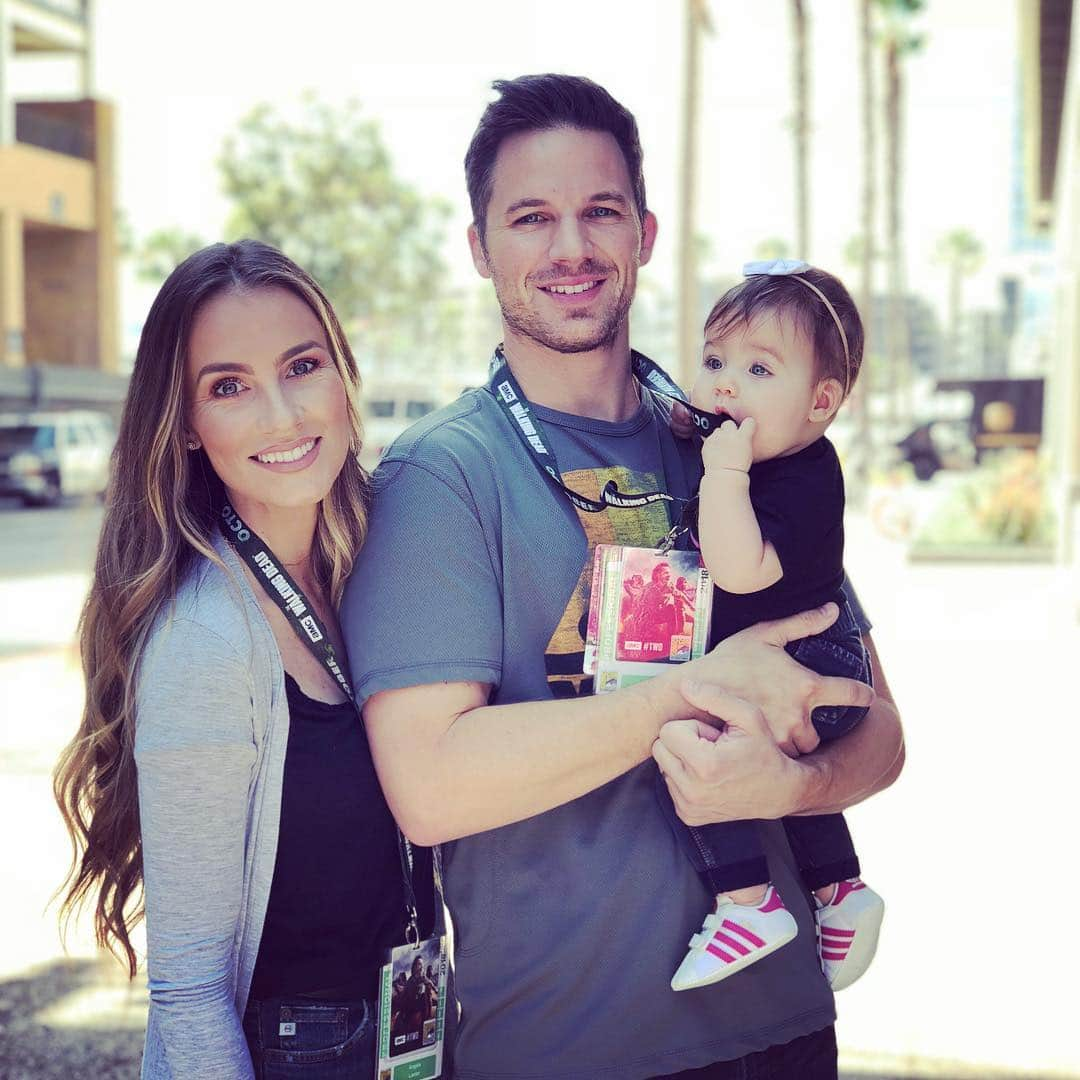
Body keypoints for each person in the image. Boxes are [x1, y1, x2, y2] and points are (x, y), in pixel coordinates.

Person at [342, 74, 903, 1080]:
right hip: (573, 1048)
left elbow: (882, 733)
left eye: (600, 211)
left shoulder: (740, 434)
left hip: (783, 1031)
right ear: (479, 247)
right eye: (531, 217)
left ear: (643, 233)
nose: (570, 247)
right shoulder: (443, 474)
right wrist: (691, 694)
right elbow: (428, 787)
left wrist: (801, 781)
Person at [54, 240, 430, 1078]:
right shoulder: (206, 640)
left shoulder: (375, 568)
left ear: (343, 375)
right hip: (297, 1052)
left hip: (408, 1028)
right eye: (229, 387)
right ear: (186, 425)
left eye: (302, 366)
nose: (283, 415)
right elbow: (188, 991)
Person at [665, 261, 885, 995]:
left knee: (698, 741)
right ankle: (838, 890)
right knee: (778, 774)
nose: (725, 383)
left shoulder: (805, 475)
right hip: (800, 657)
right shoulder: (767, 455)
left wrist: (722, 479)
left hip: (814, 658)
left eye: (759, 368)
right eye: (715, 360)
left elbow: (741, 570)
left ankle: (748, 902)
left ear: (822, 401)